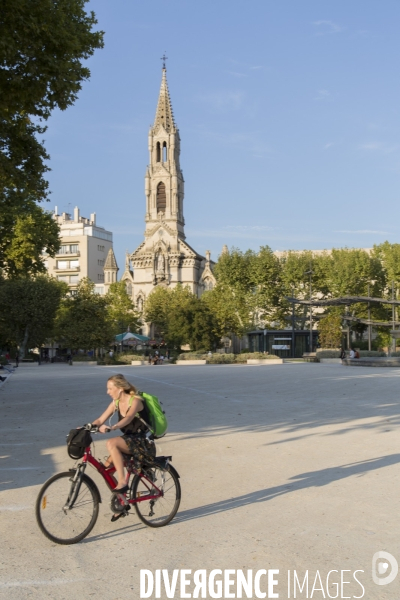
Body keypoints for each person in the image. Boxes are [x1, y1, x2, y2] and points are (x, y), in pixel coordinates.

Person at [91, 374, 155, 496]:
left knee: (111, 443)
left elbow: (129, 417)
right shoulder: (116, 402)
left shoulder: (135, 401)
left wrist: (113, 427)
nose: (107, 392)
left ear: (120, 388)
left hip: (143, 442)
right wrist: (86, 427)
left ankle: (122, 481)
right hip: (129, 441)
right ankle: (121, 501)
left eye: (110, 389)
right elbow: (100, 420)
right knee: (105, 471)